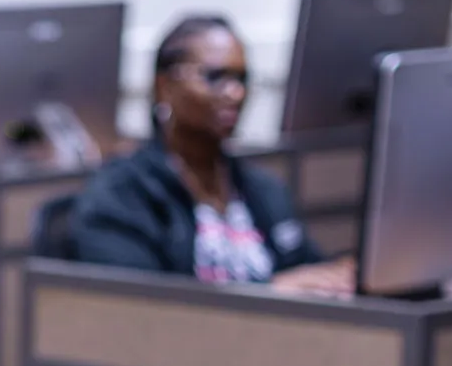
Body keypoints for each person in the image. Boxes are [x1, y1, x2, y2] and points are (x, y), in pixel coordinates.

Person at [68, 16, 354, 296]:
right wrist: (270, 291)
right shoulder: (122, 194)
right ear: (164, 87)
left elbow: (303, 267)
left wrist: (335, 276)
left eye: (242, 79)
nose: (236, 93)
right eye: (215, 77)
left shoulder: (262, 188)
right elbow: (141, 309)